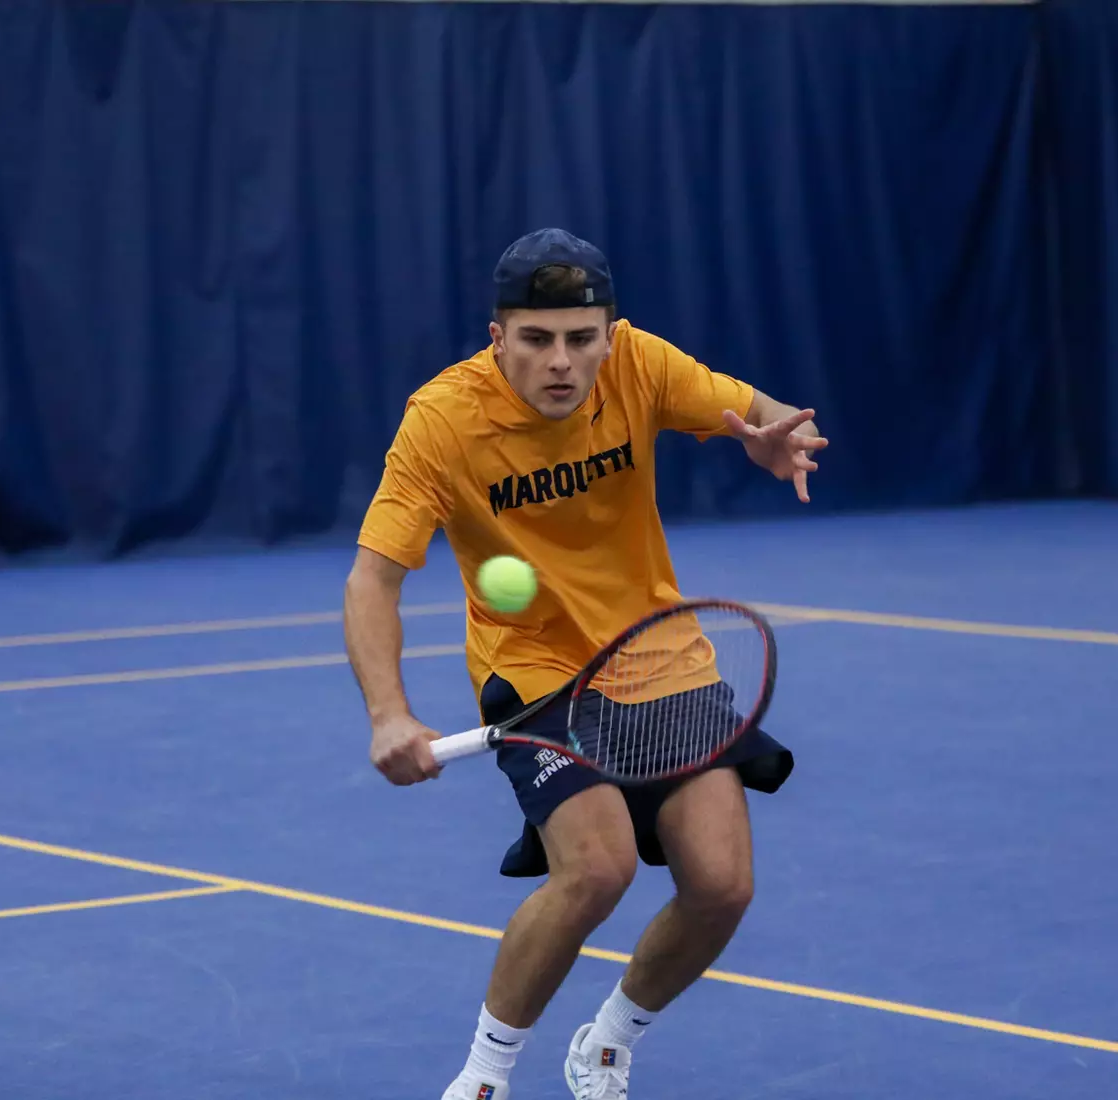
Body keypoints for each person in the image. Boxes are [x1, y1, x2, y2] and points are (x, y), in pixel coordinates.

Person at [342, 228, 828, 1099]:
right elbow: (372, 580)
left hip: (659, 657)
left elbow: (764, 411)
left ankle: (607, 1041)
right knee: (595, 870)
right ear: (498, 338)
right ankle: (483, 1079)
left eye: (580, 337)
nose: (561, 361)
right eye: (536, 339)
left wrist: (771, 436)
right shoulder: (443, 421)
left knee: (721, 886)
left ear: (609, 332)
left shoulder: (639, 364)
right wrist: (388, 711)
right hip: (537, 676)